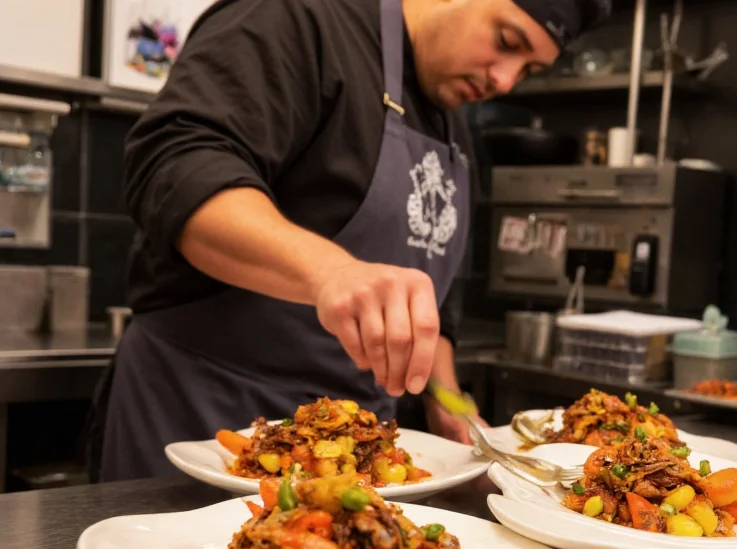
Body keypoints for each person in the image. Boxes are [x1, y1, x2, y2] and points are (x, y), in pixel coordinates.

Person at [88, 0, 612, 482]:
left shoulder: (453, 119)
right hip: (205, 418)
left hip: (355, 449)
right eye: (505, 40)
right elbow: (175, 166)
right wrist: (328, 272)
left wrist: (446, 398)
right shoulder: (295, 18)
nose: (504, 80)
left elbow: (437, 294)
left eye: (529, 70)